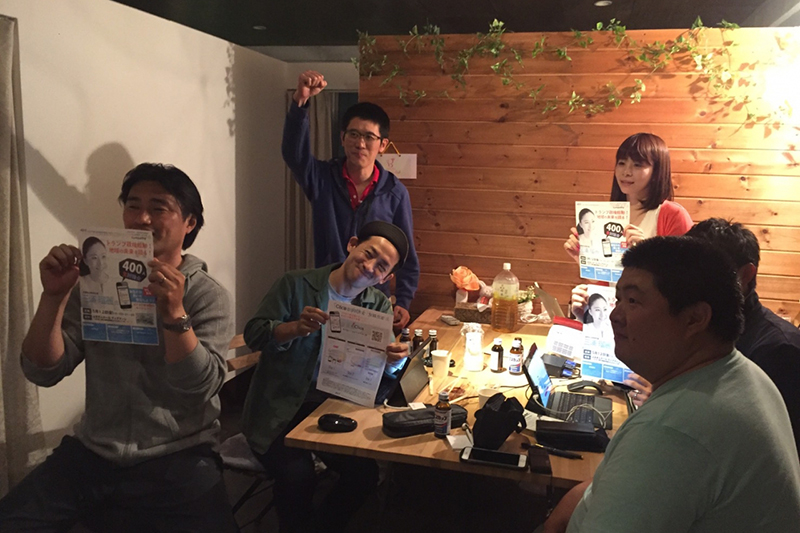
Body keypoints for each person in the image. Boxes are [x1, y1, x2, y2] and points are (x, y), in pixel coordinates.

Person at [0, 163, 238, 532]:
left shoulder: (207, 295)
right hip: (93, 452)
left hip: (178, 456)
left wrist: (174, 312)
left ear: (189, 222)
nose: (142, 218)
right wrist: (54, 297)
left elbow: (199, 387)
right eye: (133, 205)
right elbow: (42, 371)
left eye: (158, 207)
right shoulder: (97, 282)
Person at [541, 236, 800, 533]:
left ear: (694, 319)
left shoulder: (673, 431)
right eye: (619, 299)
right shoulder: (742, 373)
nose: (614, 315)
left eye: (633, 301)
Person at [241, 220, 411, 533]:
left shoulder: (376, 304)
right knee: (298, 476)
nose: (369, 266)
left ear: (385, 278)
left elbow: (384, 366)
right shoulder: (295, 284)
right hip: (279, 407)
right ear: (352, 244)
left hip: (333, 406)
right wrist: (294, 328)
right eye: (368, 253)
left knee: (363, 475)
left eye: (381, 267)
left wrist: (394, 360)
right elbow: (254, 334)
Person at [622, 218, 800, 450]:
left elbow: (768, 444)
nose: (690, 283)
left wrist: (668, 400)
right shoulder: (698, 328)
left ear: (746, 275)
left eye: (708, 272)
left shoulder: (780, 349)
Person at [282, 70, 420, 330]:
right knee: (322, 349)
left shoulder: (395, 192)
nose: (360, 144)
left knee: (366, 355)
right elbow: (294, 154)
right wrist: (300, 102)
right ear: (343, 138)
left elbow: (406, 253)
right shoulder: (322, 178)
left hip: (372, 299)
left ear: (382, 145)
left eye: (369, 137)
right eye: (354, 134)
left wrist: (403, 299)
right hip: (326, 292)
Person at [564, 133, 692, 263]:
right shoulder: (606, 215)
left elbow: (688, 271)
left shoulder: (673, 215)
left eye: (637, 165)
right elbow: (609, 274)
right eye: (621, 163)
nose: (626, 172)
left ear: (656, 171)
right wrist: (584, 258)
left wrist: (646, 252)